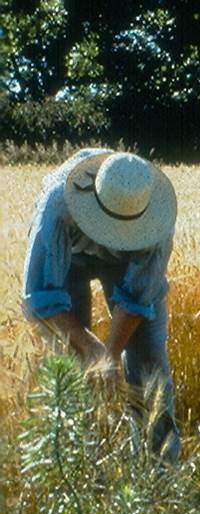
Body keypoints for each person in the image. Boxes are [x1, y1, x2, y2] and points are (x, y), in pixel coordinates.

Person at [23, 148, 181, 461]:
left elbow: (137, 299)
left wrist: (109, 353)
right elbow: (40, 295)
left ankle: (161, 469)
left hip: (126, 263)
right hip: (68, 261)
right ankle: (78, 467)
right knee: (69, 363)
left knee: (149, 360)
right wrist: (90, 348)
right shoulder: (57, 205)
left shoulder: (156, 221)